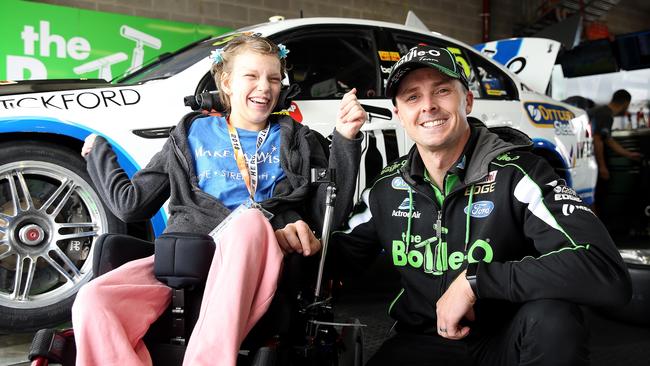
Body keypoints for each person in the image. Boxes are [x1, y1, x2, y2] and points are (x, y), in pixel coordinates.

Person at [286, 45, 632, 365]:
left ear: (467, 100)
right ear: (399, 113)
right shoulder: (387, 188)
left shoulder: (520, 174)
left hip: (509, 341)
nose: (428, 106)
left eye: (441, 90)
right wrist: (293, 241)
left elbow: (605, 270)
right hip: (424, 341)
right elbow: (336, 263)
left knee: (555, 319)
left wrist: (477, 282)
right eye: (412, 97)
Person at [72, 35, 366, 366]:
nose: (265, 88)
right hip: (185, 258)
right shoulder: (189, 135)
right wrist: (99, 154)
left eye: (273, 78)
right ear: (226, 81)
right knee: (94, 300)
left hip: (256, 255)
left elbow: (331, 213)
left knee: (250, 220)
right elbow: (131, 204)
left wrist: (345, 138)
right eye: (251, 76)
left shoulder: (297, 140)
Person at [588, 89, 642, 212]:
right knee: (595, 196)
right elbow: (597, 140)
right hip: (592, 161)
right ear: (626, 103)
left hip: (586, 158)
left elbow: (607, 139)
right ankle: (597, 226)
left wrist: (629, 154)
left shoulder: (599, 111)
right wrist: (602, 167)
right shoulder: (605, 114)